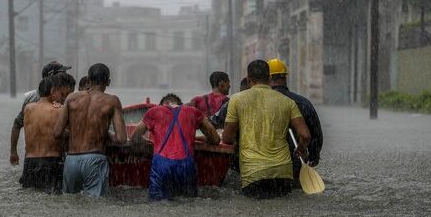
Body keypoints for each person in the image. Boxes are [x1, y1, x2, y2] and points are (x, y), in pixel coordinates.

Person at [222, 60, 311, 198]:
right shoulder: (287, 102)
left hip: (253, 174)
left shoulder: (236, 100)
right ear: (269, 79)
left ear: (248, 80)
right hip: (283, 175)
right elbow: (305, 135)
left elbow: (227, 138)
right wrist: (301, 148)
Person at [53, 63, 126, 197]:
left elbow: (57, 132)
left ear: (88, 79)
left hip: (71, 161)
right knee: (94, 208)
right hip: (95, 159)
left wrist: (76, 132)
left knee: (70, 204)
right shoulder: (112, 101)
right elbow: (121, 139)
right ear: (108, 82)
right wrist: (107, 134)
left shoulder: (71, 98)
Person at [130, 93, 220, 201]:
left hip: (161, 166)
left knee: (156, 203)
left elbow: (134, 138)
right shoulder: (193, 111)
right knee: (188, 202)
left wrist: (147, 146)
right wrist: (201, 139)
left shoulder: (154, 111)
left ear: (161, 105)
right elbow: (215, 139)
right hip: (186, 165)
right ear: (181, 105)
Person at [268, 58, 323, 187]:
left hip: (264, 167)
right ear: (285, 78)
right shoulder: (303, 103)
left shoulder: (258, 104)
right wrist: (313, 158)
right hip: (296, 166)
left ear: (268, 78)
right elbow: (315, 134)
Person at [19, 73, 76, 193]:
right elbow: (70, 132)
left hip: (30, 163)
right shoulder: (59, 110)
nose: (62, 97)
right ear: (52, 90)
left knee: (32, 198)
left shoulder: (28, 109)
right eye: (61, 94)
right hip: (51, 162)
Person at [9, 61, 71, 165]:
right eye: (62, 74)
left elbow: (17, 124)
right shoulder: (34, 98)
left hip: (36, 158)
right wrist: (13, 151)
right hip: (48, 158)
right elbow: (17, 124)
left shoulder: (62, 96)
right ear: (52, 76)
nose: (65, 76)